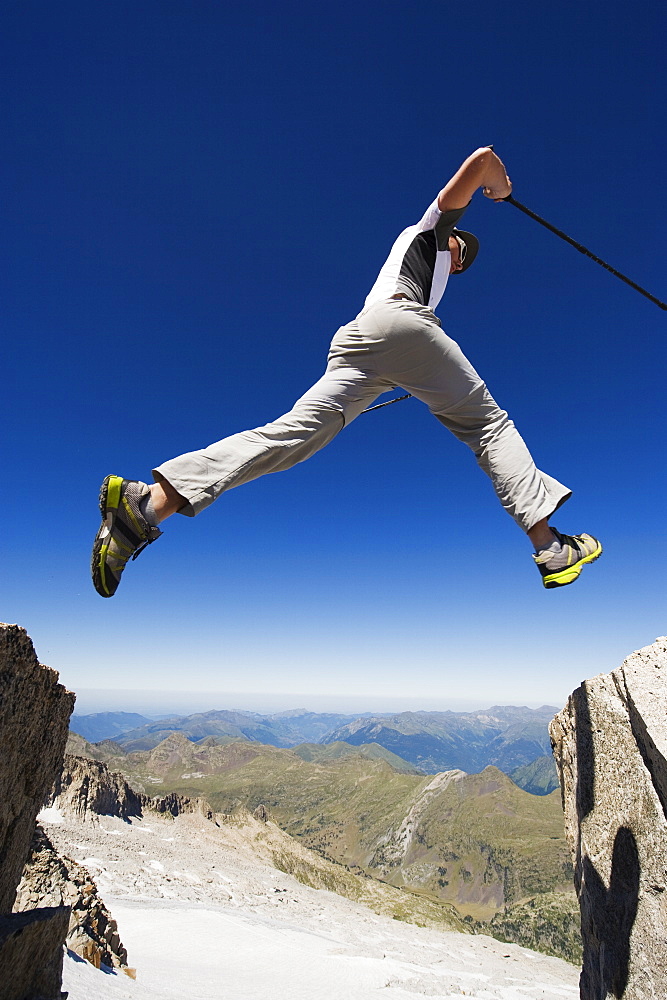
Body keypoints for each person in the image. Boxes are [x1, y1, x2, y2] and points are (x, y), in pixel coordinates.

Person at [91, 146, 601, 598]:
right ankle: (552, 546)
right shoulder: (429, 233)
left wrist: (402, 370)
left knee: (289, 438)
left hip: (363, 344)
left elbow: (401, 337)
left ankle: (145, 506)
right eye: (461, 247)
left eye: (464, 256)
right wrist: (499, 186)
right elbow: (482, 160)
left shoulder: (428, 272)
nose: (462, 256)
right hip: (401, 325)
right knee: (487, 425)